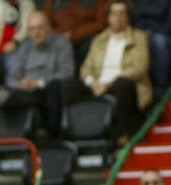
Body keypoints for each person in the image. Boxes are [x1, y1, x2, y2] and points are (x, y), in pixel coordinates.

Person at [63, 0, 151, 144]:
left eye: (122, 13)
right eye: (114, 13)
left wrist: (108, 84)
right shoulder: (99, 39)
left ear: (128, 17)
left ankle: (122, 134)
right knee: (68, 86)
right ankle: (74, 134)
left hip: (121, 85)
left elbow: (139, 68)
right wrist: (92, 83)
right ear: (108, 17)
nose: (118, 17)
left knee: (123, 85)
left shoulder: (139, 37)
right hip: (98, 86)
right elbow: (86, 68)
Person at [0, 11, 74, 134]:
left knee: (53, 89)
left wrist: (39, 82)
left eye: (40, 28)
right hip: (25, 89)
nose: (36, 33)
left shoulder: (62, 43)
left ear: (49, 27)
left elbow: (66, 72)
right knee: (5, 90)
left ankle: (50, 133)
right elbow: (12, 76)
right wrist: (20, 84)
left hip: (48, 87)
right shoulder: (25, 45)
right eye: (32, 29)